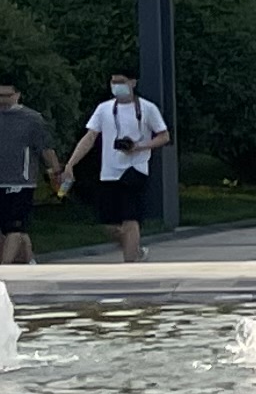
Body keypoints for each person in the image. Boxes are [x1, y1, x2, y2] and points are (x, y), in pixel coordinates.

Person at [63, 72, 172, 262]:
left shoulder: (147, 108)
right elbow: (90, 137)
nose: (117, 86)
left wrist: (139, 146)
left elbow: (164, 136)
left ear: (133, 83)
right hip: (109, 171)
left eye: (121, 82)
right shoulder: (104, 109)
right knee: (109, 224)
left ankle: (130, 263)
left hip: (135, 169)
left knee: (130, 218)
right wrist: (71, 163)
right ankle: (135, 249)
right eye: (114, 82)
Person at [0, 80, 56, 264]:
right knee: (13, 229)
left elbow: (45, 149)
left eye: (7, 95)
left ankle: (5, 269)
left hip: (20, 182)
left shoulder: (31, 119)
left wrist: (55, 171)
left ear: (17, 95)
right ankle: (28, 261)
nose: (3, 100)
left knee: (14, 228)